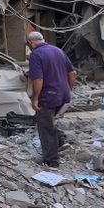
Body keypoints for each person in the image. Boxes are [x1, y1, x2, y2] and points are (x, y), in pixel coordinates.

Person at [26, 31, 76, 167]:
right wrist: (68, 89)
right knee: (49, 122)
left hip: (48, 95)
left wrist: (35, 98)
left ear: (30, 43)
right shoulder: (58, 51)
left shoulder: (35, 55)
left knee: (45, 127)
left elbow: (38, 79)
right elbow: (72, 73)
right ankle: (60, 140)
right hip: (63, 95)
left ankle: (51, 160)